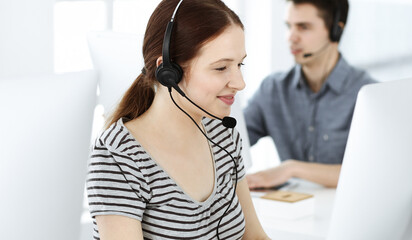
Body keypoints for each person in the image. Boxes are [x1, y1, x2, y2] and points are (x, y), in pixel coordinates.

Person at [86, 0, 269, 239]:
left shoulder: (223, 135)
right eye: (221, 68)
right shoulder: (119, 156)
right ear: (169, 72)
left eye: (239, 64)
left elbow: (253, 236)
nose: (240, 83)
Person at [244, 0, 377, 189]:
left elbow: (371, 172)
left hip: (346, 212)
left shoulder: (368, 94)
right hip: (292, 211)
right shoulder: (273, 90)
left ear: (335, 30)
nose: (291, 37)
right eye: (288, 26)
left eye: (303, 27)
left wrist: (291, 169)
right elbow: (229, 141)